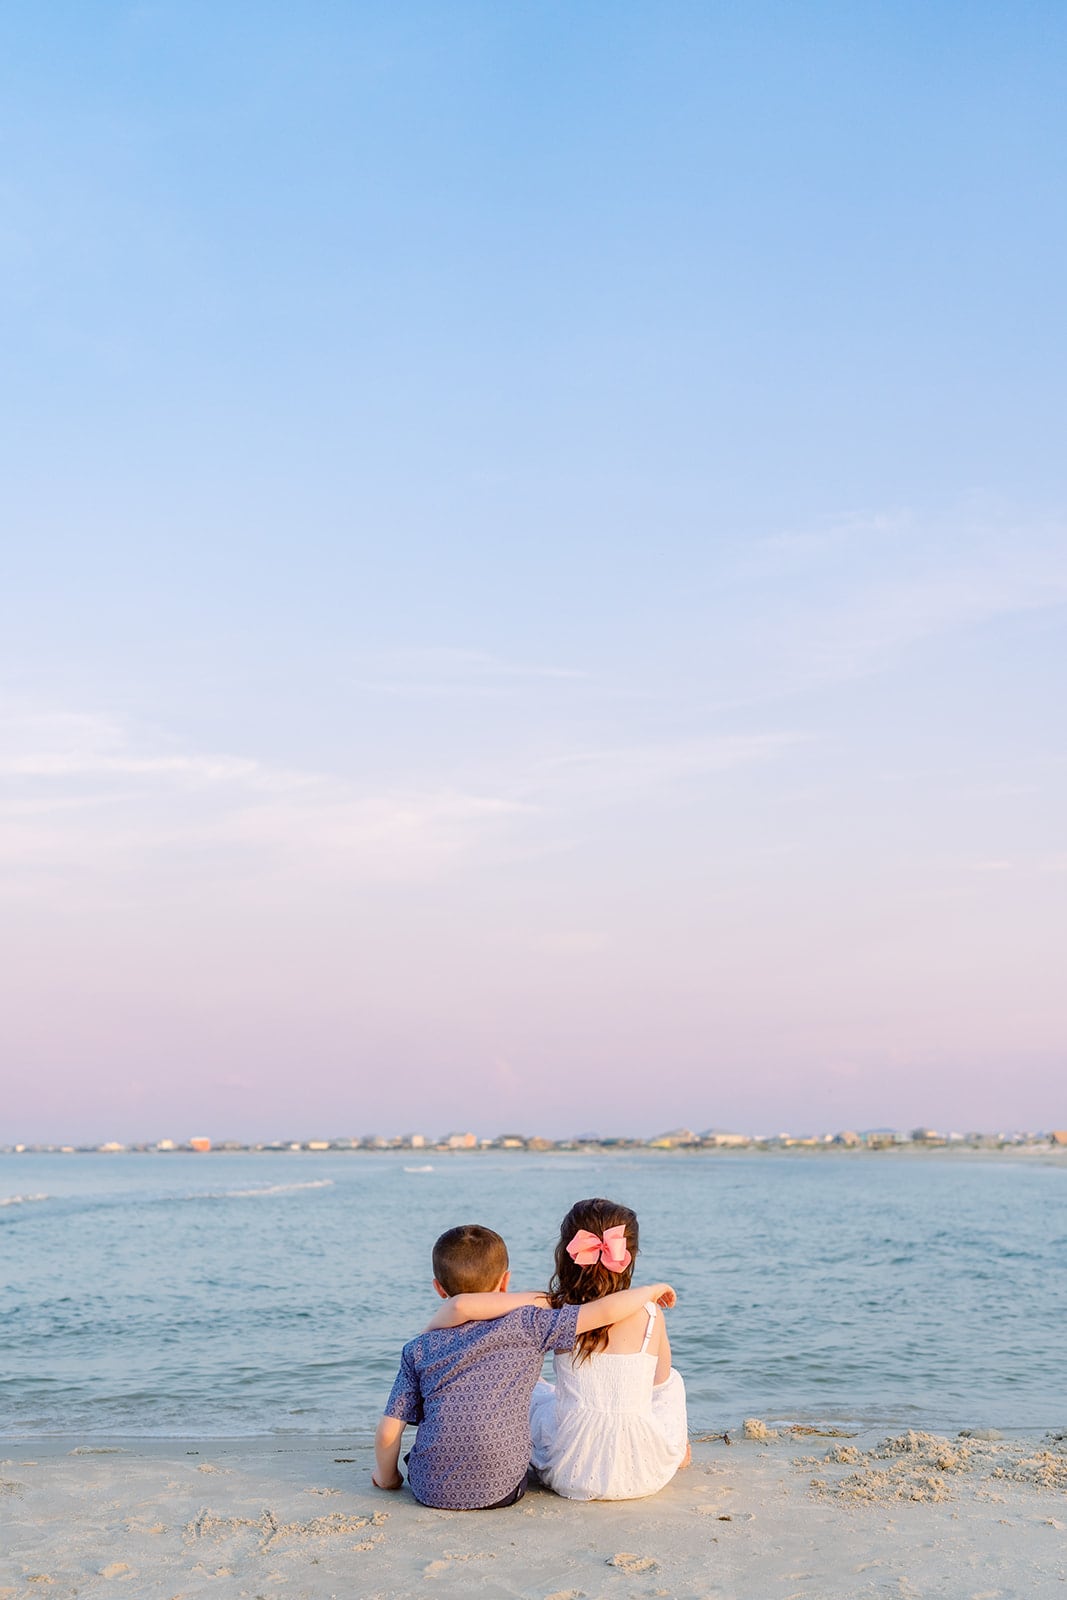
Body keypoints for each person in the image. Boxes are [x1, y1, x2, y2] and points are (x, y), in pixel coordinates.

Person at [373, 1221, 676, 1511]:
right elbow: (604, 1310)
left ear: (439, 1288)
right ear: (505, 1281)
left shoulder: (417, 1348)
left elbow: (389, 1432)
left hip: (429, 1490)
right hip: (503, 1490)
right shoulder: (529, 1324)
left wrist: (387, 1479)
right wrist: (651, 1290)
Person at [532, 1197, 689, 1499]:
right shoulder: (651, 1314)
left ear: (566, 1255)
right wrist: (652, 1292)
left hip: (570, 1469)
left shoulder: (559, 1312)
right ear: (630, 1256)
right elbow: (660, 1384)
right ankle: (675, 1450)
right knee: (671, 1384)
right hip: (642, 1473)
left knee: (536, 1391)